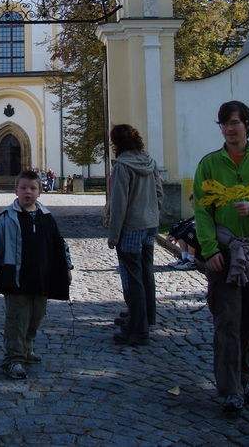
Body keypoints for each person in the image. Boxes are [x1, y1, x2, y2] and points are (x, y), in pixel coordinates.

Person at [194, 100, 249, 414]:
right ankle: (230, 389)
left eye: (234, 122)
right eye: (224, 123)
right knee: (228, 322)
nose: (229, 129)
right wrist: (210, 251)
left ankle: (246, 378)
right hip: (223, 254)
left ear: (247, 125)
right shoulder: (209, 164)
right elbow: (202, 212)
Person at [0, 170, 73, 379]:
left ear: (40, 191)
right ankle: (13, 359)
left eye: (32, 188)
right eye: (23, 188)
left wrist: (66, 268)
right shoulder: (6, 218)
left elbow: (59, 244)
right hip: (15, 277)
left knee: (36, 316)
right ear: (16, 190)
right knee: (17, 318)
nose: (28, 192)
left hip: (41, 276)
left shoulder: (46, 217)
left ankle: (27, 347)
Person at [107, 124, 163, 347]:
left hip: (131, 227)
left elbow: (119, 203)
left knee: (132, 278)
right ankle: (147, 317)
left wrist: (114, 234)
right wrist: (153, 214)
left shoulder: (122, 166)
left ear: (117, 143)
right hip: (150, 225)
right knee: (146, 272)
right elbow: (159, 192)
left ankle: (138, 329)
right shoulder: (150, 162)